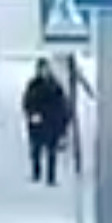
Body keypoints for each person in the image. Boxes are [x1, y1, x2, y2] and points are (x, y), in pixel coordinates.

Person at [21, 58, 70, 186]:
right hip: (38, 122)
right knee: (36, 150)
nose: (43, 71)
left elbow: (62, 104)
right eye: (41, 69)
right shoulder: (33, 85)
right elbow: (27, 101)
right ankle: (36, 173)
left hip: (51, 122)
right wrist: (31, 114)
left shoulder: (55, 86)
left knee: (51, 151)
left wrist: (62, 123)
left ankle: (50, 177)